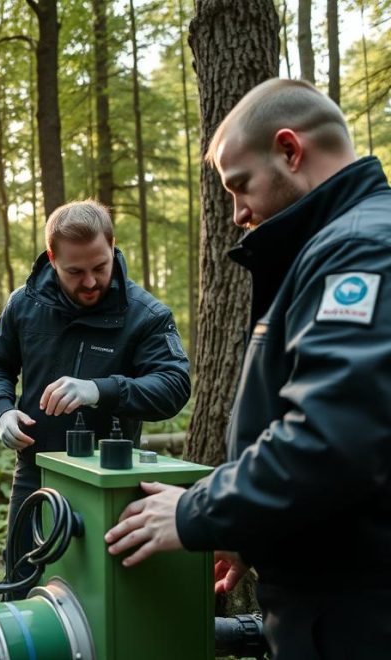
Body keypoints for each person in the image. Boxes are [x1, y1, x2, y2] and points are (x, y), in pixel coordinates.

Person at [104, 78, 391, 658]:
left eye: (240, 186)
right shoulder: (336, 244)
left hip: (359, 616)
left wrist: (196, 511)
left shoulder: (361, 248)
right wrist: (248, 527)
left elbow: (335, 438)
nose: (236, 214)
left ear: (290, 150)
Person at [0, 199, 191, 591]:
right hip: (36, 472)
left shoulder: (145, 315)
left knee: (101, 596)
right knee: (21, 584)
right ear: (52, 258)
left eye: (100, 267)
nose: (90, 282)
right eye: (75, 271)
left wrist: (99, 389)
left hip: (112, 478)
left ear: (112, 246)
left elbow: (174, 386)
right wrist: (2, 411)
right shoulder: (24, 305)